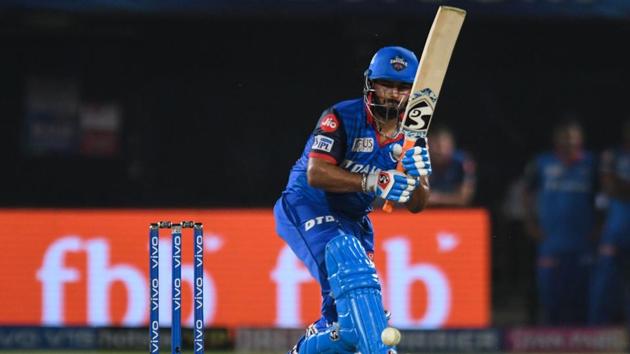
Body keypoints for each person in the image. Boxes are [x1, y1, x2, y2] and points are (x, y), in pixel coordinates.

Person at [273, 46, 431, 354]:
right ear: (371, 84)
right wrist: (374, 180)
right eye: (386, 84)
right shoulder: (341, 117)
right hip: (307, 204)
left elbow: (418, 203)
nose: (393, 94)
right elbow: (316, 173)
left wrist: (418, 177)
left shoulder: (413, 135)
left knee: (347, 327)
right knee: (352, 267)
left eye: (402, 88)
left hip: (354, 220)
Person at [522, 119, 597, 325]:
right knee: (550, 296)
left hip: (582, 241)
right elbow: (526, 193)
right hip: (551, 241)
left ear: (581, 139)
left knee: (582, 295)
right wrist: (530, 223)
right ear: (556, 139)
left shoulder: (591, 163)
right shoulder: (541, 163)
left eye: (573, 137)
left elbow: (603, 197)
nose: (569, 141)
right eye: (565, 137)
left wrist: (599, 227)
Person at [590, 119, 630, 325]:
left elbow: (618, 186)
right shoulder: (612, 155)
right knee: (605, 284)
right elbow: (610, 187)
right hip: (616, 230)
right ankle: (598, 333)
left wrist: (622, 185)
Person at [426, 125, 476, 207]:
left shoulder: (464, 162)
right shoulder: (419, 161)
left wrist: (437, 198)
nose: (441, 150)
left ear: (452, 144)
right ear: (427, 144)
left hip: (456, 214)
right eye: (436, 145)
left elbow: (464, 199)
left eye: (445, 145)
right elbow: (416, 200)